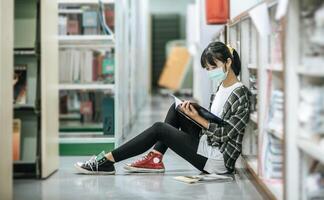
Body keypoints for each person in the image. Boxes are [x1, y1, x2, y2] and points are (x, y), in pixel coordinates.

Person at [74, 41, 251, 175]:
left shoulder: (240, 93)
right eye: (208, 68)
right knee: (177, 109)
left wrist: (197, 118)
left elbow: (225, 134)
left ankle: (106, 161)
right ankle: (155, 158)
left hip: (218, 161)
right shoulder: (221, 87)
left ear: (228, 63)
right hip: (208, 144)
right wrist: (193, 112)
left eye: (214, 67)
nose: (211, 71)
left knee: (160, 129)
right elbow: (215, 121)